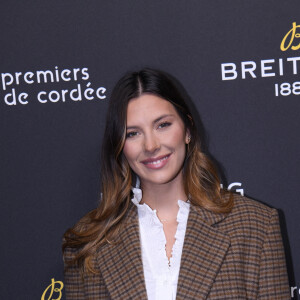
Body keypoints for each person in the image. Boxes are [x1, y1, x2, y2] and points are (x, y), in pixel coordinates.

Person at [62, 68, 290, 299]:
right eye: (133, 133)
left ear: (187, 130)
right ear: (119, 146)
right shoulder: (88, 241)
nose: (150, 146)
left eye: (163, 125)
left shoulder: (257, 227)